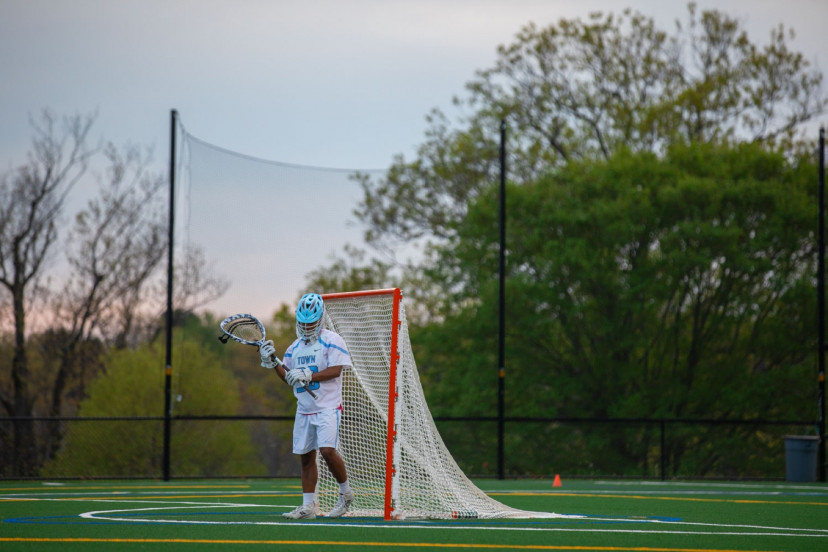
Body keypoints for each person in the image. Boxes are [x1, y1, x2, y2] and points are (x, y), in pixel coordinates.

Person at [259, 292, 355, 519]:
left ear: (320, 319)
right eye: (303, 322)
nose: (306, 326)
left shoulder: (332, 340)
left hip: (327, 406)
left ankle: (346, 493)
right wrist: (272, 362)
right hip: (304, 408)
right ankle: (308, 507)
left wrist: (310, 375)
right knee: (306, 457)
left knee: (327, 451)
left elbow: (336, 370)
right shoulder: (294, 348)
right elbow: (288, 377)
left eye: (311, 322)